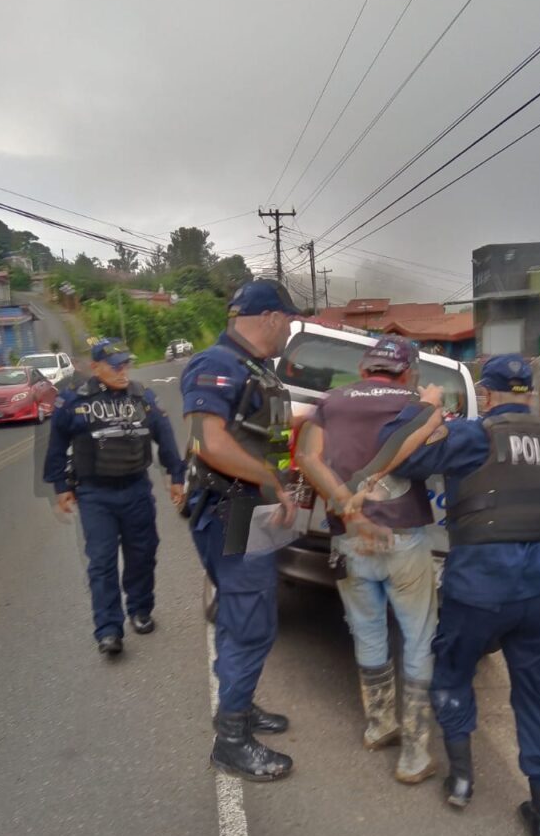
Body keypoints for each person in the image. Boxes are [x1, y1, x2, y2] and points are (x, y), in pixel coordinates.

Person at [375, 354, 540, 836]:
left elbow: (402, 456)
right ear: (528, 393)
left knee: (453, 671)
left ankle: (463, 780)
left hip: (482, 589)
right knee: (536, 698)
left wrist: (424, 409)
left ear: (486, 396)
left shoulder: (476, 436)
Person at [297, 336, 444, 784]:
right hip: (405, 539)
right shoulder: (417, 401)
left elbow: (307, 457)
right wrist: (431, 405)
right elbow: (441, 445)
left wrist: (345, 502)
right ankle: (414, 755)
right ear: (406, 373)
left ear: (364, 370)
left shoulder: (331, 402)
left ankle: (379, 725)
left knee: (368, 633)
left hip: (350, 539)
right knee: (418, 639)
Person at [180, 279, 300, 783]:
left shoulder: (255, 370)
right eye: (288, 321)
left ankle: (240, 704)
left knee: (241, 613)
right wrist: (273, 480)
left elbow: (259, 437)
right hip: (234, 511)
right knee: (251, 623)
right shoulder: (216, 365)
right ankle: (231, 740)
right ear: (269, 317)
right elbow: (210, 444)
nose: (290, 331)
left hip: (252, 512)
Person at [43, 338, 185, 656]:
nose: (123, 371)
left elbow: (165, 436)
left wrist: (176, 475)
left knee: (143, 553)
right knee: (102, 562)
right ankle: (108, 629)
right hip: (94, 495)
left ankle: (140, 608)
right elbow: (55, 445)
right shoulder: (74, 401)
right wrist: (61, 487)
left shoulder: (143, 397)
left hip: (136, 489)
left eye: (125, 364)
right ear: (95, 367)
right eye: (114, 365)